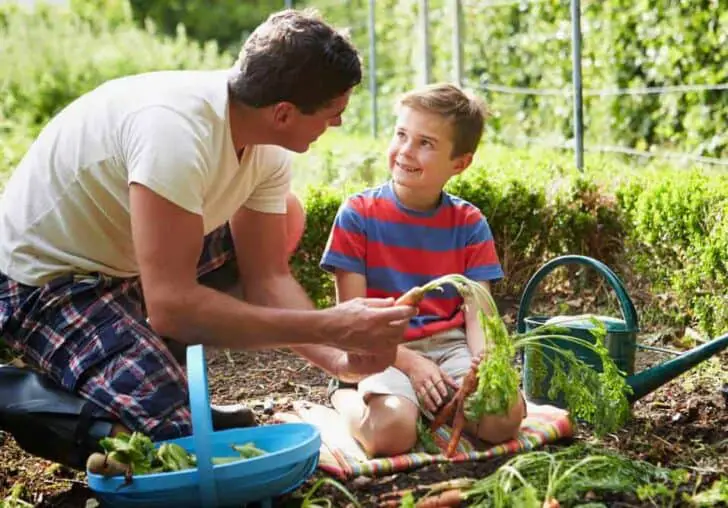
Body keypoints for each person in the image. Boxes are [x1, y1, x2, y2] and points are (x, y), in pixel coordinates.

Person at [0, 8, 415, 445]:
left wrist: (338, 358)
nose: (339, 123)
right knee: (168, 437)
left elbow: (268, 277)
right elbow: (172, 305)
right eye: (333, 111)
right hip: (46, 281)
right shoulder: (175, 133)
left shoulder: (263, 141)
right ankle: (14, 392)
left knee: (286, 216)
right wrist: (327, 325)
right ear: (284, 113)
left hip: (127, 262)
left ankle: (150, 362)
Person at [320, 83, 526, 457]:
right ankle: (345, 397)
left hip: (451, 347)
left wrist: (484, 364)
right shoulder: (358, 215)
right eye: (401, 135)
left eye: (425, 143)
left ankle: (435, 404)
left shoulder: (470, 223)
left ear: (459, 163)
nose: (405, 151)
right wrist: (410, 363)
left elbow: (478, 314)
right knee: (392, 435)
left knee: (504, 420)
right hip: (382, 347)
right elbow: (352, 322)